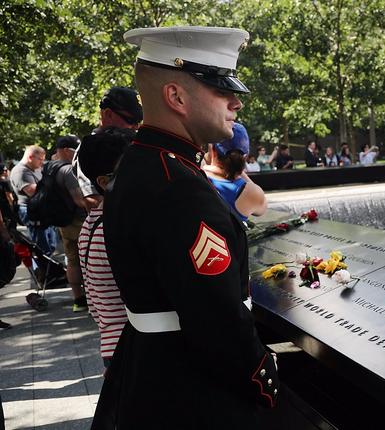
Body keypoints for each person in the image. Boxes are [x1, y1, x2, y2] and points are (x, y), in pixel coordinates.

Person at [93, 26, 280, 429]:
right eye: (221, 90)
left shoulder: (144, 162)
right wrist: (261, 373)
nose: (236, 103)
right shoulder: (177, 184)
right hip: (190, 388)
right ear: (176, 97)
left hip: (151, 367)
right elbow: (215, 317)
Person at [76, 128, 134, 368]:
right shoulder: (114, 228)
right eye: (132, 167)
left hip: (115, 344)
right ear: (103, 181)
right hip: (132, 348)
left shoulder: (93, 222)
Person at [73, 87, 143, 210]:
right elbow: (93, 201)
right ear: (108, 114)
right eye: (131, 120)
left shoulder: (130, 141)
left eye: (139, 121)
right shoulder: (91, 150)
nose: (136, 126)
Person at [52, 135, 90, 312]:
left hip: (63, 222)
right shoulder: (68, 170)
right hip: (78, 221)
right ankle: (91, 299)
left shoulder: (51, 167)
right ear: (67, 150)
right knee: (87, 260)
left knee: (73, 261)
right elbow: (79, 200)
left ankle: (78, 300)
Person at [204, 122, 267, 223]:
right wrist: (238, 170)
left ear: (212, 149)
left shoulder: (194, 174)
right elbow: (263, 208)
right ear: (245, 156)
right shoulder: (252, 192)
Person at [9, 146, 58, 255]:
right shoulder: (20, 171)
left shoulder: (35, 169)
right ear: (30, 157)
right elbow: (33, 191)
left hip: (42, 210)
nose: (42, 162)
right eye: (40, 159)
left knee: (52, 244)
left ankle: (47, 269)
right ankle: (41, 270)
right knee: (42, 248)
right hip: (31, 211)